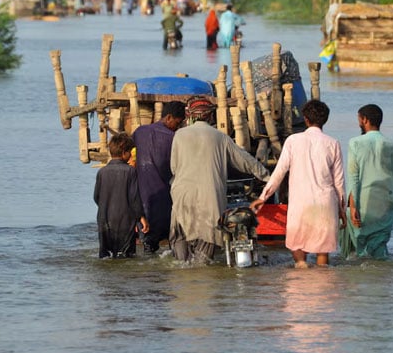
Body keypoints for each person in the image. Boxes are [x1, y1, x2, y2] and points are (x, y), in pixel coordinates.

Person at [169, 97, 270, 264]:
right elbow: (246, 161)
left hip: (182, 194)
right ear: (210, 116)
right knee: (207, 242)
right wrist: (268, 177)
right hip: (210, 196)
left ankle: (182, 268)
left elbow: (174, 167)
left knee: (181, 237)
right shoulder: (220, 137)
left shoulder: (179, 135)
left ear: (190, 116)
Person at [251, 100, 346, 267]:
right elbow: (339, 182)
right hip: (325, 203)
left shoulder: (293, 141)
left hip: (301, 203)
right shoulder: (333, 143)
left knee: (298, 248)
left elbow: (279, 172)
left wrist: (263, 197)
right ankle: (323, 289)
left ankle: (300, 277)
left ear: (305, 119)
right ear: (325, 120)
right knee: (322, 254)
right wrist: (342, 210)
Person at [339, 104, 393, 260]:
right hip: (387, 200)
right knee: (379, 245)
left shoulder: (355, 143)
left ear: (365, 120)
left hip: (364, 200)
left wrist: (353, 206)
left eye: (359, 119)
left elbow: (354, 177)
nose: (359, 123)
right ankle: (382, 280)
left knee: (357, 246)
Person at [132, 101, 186, 254]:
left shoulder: (140, 132)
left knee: (148, 244)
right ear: (169, 118)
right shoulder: (174, 138)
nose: (179, 126)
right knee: (173, 241)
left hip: (143, 199)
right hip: (165, 198)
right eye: (178, 122)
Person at [93, 133, 149, 259]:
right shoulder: (130, 171)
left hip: (104, 220)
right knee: (126, 256)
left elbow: (96, 197)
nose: (130, 156)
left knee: (106, 256)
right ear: (124, 152)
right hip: (125, 222)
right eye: (129, 152)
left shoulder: (102, 172)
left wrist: (106, 207)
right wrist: (141, 217)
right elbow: (134, 198)